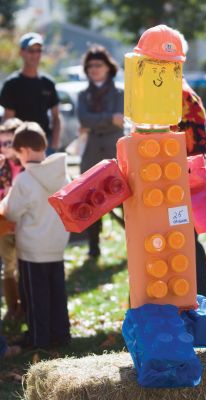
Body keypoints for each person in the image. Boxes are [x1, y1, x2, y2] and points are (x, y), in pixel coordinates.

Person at [0, 122, 70, 349]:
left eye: (17, 154)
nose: (18, 160)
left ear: (25, 151)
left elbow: (11, 212)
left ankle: (38, 339)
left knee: (35, 297)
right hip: (56, 246)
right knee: (57, 294)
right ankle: (61, 334)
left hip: (32, 249)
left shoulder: (24, 179)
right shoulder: (62, 176)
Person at [171, 32, 206, 299]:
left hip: (180, 182)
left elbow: (195, 146)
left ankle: (200, 300)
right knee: (183, 242)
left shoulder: (181, 97)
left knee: (186, 242)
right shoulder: (171, 94)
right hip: (175, 180)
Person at [77, 44, 124, 257]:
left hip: (115, 151)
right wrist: (108, 118)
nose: (94, 69)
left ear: (108, 67)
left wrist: (97, 122)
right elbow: (83, 118)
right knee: (89, 197)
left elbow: (121, 119)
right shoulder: (83, 95)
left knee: (123, 196)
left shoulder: (120, 92)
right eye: (90, 65)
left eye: (98, 64)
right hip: (91, 153)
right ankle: (93, 246)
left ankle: (132, 241)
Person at [0, 32, 61, 154]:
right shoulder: (12, 84)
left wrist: (54, 144)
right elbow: (8, 120)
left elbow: (56, 117)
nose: (35, 55)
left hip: (44, 144)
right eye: (31, 51)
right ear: (21, 52)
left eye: (38, 51)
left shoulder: (48, 83)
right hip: (20, 146)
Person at [0, 118, 23, 323]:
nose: (5, 148)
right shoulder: (1, 167)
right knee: (8, 267)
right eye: (1, 143)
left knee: (25, 266)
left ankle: (25, 306)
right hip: (5, 224)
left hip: (24, 225)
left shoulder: (24, 167)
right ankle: (12, 308)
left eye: (9, 143)